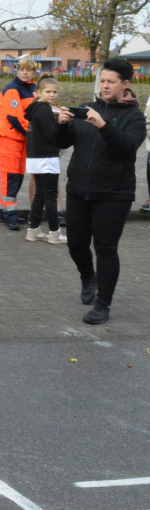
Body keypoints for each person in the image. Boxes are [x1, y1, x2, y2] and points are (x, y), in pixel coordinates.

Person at [56, 58, 146, 325]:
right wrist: (61, 124)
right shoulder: (88, 110)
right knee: (76, 244)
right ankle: (88, 278)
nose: (105, 86)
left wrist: (104, 126)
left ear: (125, 84)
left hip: (113, 194)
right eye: (102, 81)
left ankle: (103, 304)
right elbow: (62, 143)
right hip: (78, 190)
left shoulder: (134, 116)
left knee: (106, 248)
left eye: (111, 82)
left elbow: (127, 147)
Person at [23, 76, 67, 245]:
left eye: (55, 92)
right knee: (50, 195)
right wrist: (62, 124)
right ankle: (54, 233)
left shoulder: (35, 109)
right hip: (47, 157)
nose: (52, 95)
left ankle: (33, 230)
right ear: (39, 92)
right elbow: (52, 135)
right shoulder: (45, 110)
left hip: (35, 156)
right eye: (48, 92)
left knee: (40, 194)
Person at [0, 58, 37, 230]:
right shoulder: (13, 89)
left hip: (21, 138)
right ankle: (10, 214)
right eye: (21, 69)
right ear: (17, 71)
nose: (24, 72)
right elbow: (15, 117)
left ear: (34, 72)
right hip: (10, 137)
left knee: (17, 176)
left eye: (28, 70)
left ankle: (4, 211)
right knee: (11, 176)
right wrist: (32, 133)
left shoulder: (32, 89)